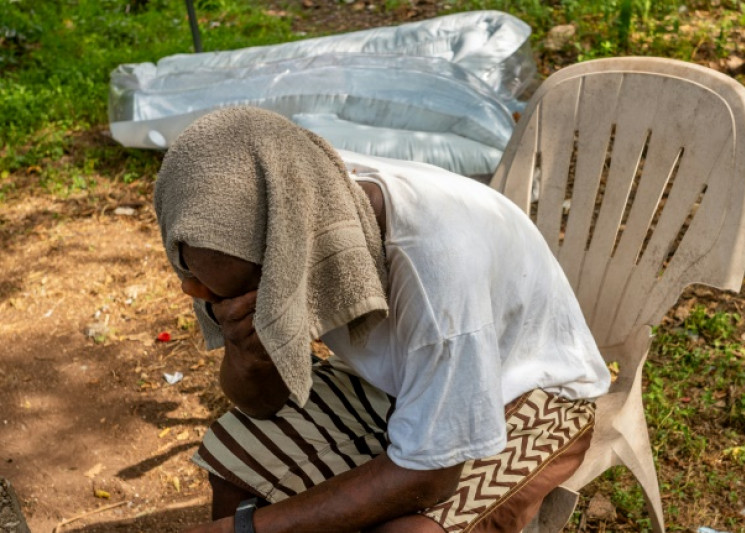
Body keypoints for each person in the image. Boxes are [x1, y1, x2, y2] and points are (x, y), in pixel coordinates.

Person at [153, 107, 611, 533]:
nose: (222, 302)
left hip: (527, 389)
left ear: (297, 258)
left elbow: (429, 478)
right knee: (238, 451)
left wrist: (248, 529)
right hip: (395, 379)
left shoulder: (436, 269)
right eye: (208, 293)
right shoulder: (234, 222)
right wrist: (247, 350)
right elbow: (259, 403)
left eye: (250, 293)